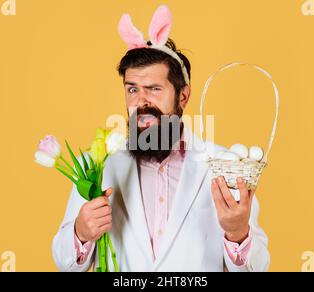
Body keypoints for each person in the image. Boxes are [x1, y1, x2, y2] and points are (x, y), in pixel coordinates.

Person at [52, 5, 270, 272]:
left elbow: (256, 268)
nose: (141, 101)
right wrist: (81, 233)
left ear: (183, 96)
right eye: (132, 89)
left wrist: (238, 233)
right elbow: (65, 264)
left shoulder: (226, 165)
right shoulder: (96, 165)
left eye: (154, 89)